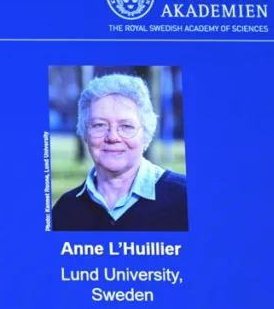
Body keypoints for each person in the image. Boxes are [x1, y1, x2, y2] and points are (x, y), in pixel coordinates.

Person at [52, 73, 188, 231]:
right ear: (84, 133)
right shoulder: (65, 210)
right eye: (99, 125)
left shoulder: (186, 198)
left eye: (126, 126)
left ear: (145, 134)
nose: (112, 137)